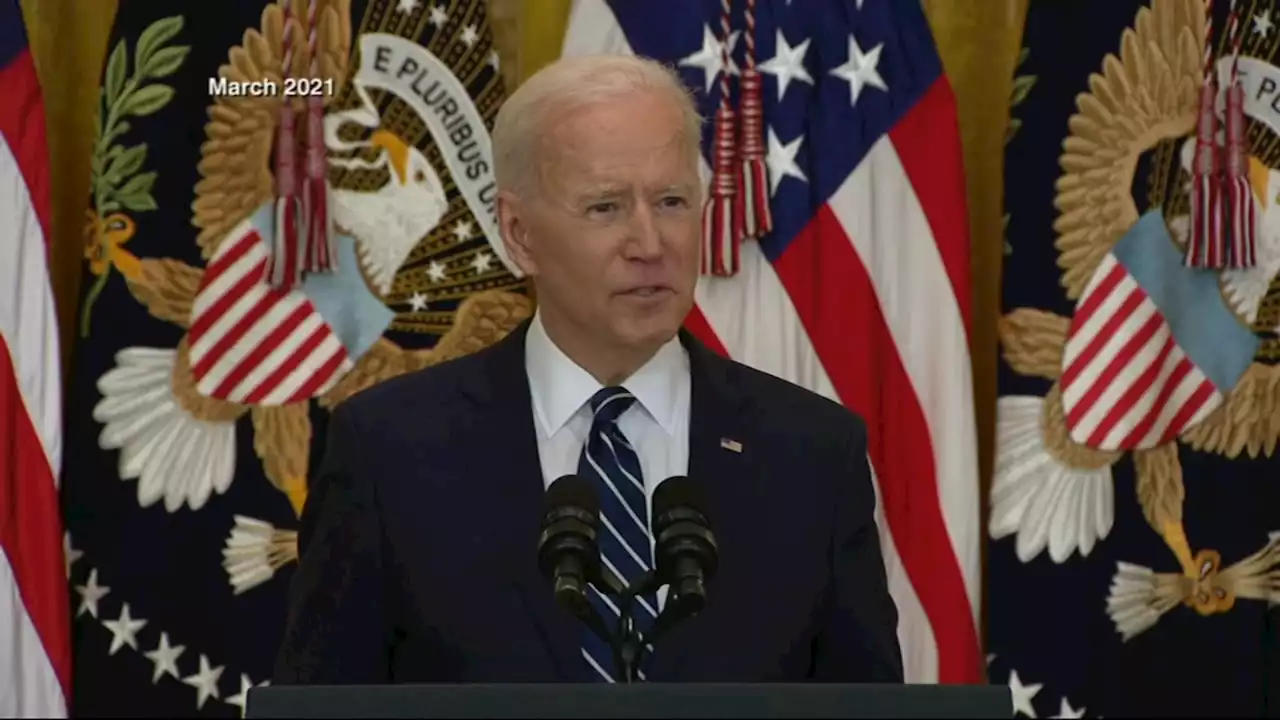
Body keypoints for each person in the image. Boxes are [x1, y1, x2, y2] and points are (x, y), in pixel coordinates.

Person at [273, 53, 903, 684]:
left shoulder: (814, 455)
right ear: (518, 233)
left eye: (672, 201)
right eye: (605, 207)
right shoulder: (388, 453)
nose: (651, 244)